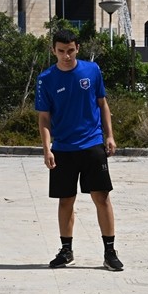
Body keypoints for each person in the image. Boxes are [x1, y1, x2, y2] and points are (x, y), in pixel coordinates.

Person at [35, 28, 123, 271]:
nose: (66, 56)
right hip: (63, 148)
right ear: (53, 50)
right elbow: (44, 118)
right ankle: (66, 250)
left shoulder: (92, 71)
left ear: (78, 49)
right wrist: (47, 148)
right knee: (66, 201)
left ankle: (109, 251)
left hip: (92, 144)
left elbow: (102, 104)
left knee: (102, 197)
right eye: (61, 51)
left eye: (70, 51)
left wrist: (110, 136)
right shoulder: (46, 79)